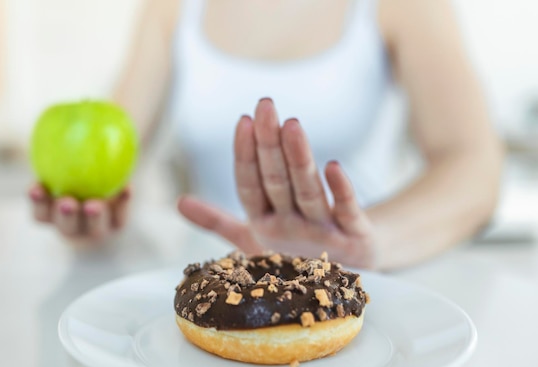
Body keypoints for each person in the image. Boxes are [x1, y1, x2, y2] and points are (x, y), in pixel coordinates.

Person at [28, 0, 503, 270]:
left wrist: (368, 241)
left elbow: (473, 163)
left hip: (362, 281)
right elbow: (113, 165)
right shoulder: (171, 7)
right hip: (216, 289)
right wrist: (92, 220)